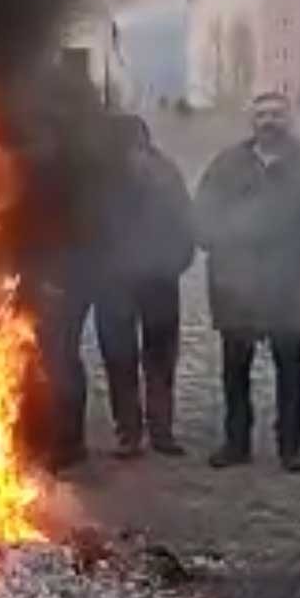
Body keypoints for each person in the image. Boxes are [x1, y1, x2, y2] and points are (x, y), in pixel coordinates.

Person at [193, 89, 300, 473]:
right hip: (235, 281)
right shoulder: (228, 163)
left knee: (290, 367)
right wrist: (216, 236)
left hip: (289, 282)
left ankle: (291, 446)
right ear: (252, 120)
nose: (269, 121)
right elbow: (201, 211)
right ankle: (235, 442)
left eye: (277, 115)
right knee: (235, 369)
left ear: (290, 120)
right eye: (262, 114)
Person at [92, 114, 194, 458]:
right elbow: (86, 224)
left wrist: (176, 260)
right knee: (121, 358)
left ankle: (159, 429)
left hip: (158, 278)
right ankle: (130, 431)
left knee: (159, 357)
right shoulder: (98, 177)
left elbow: (185, 219)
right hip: (113, 281)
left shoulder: (166, 174)